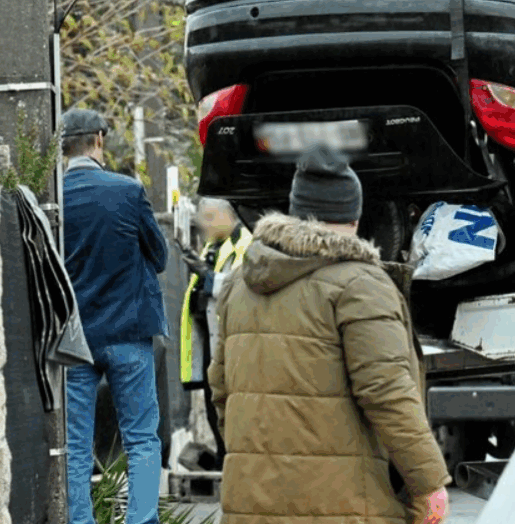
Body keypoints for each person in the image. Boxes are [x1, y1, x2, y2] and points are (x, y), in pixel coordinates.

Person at [208, 145, 452, 524]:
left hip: (251, 504)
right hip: (342, 506)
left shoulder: (240, 284)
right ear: (353, 216)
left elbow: (222, 392)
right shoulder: (359, 285)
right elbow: (387, 394)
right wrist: (429, 483)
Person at [60, 108, 169, 524]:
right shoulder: (127, 191)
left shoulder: (54, 199)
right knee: (141, 437)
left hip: (74, 340)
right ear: (99, 141)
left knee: (76, 444)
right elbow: (158, 256)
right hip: (128, 331)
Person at [178, 197, 252, 469]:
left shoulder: (246, 244)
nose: (203, 223)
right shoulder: (214, 246)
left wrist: (205, 275)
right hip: (211, 337)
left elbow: (237, 286)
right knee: (213, 402)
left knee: (229, 405)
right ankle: (223, 459)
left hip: (231, 341)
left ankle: (233, 462)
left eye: (210, 217)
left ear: (229, 215)